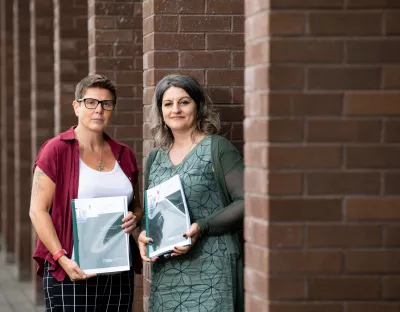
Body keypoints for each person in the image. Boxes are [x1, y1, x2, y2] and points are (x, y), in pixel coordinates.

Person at [29, 74, 142, 311]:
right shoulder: (56, 150)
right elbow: (37, 211)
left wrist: (135, 218)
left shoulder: (125, 154)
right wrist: (61, 258)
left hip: (117, 270)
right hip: (72, 267)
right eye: (91, 102)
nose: (98, 110)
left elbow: (136, 206)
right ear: (77, 106)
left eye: (106, 103)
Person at [138, 74, 244, 312]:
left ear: (198, 106)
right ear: (160, 111)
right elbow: (151, 213)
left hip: (213, 270)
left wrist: (203, 226)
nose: (176, 109)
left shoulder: (217, 147)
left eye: (184, 102)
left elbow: (247, 202)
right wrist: (144, 233)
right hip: (168, 274)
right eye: (168, 104)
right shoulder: (156, 157)